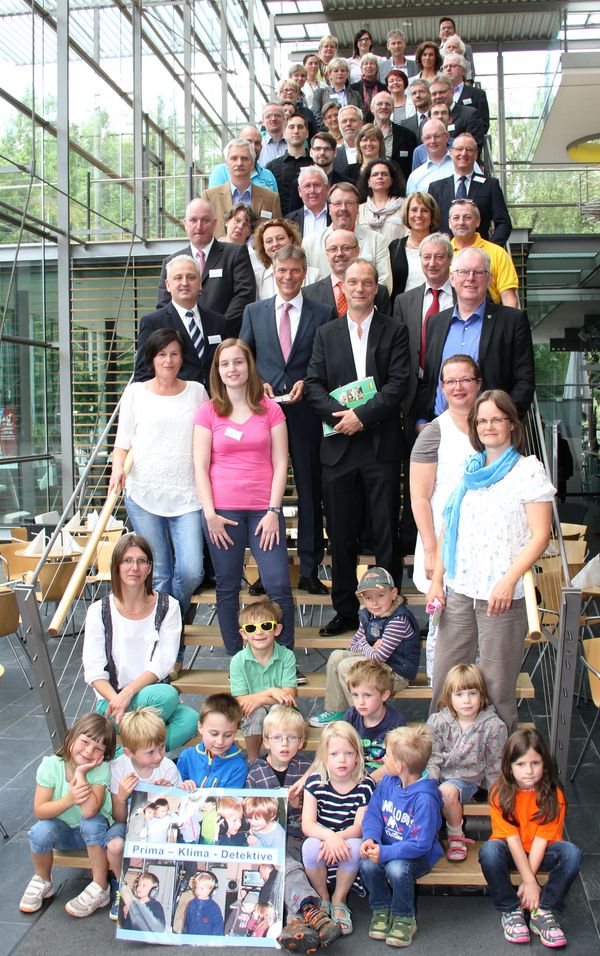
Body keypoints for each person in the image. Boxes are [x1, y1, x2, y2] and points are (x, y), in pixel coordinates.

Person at [427, 390, 555, 731]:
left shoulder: (528, 470)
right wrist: (437, 581)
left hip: (501, 596)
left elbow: (541, 535)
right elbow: (447, 531)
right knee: (445, 679)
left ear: (512, 424)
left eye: (496, 419)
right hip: (458, 592)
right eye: (482, 420)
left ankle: (497, 773)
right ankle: (442, 755)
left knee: (498, 687)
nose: (488, 426)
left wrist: (509, 579)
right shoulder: (468, 473)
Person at [304, 259, 410, 636]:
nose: (360, 288)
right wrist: (340, 418)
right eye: (353, 282)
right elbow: (313, 384)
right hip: (338, 448)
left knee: (385, 534)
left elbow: (399, 385)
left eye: (367, 282)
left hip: (379, 445)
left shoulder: (395, 330)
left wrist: (361, 417)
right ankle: (347, 610)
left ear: (376, 287)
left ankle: (390, 611)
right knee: (343, 535)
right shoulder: (325, 333)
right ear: (343, 287)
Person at [240, 245, 335, 591]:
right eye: (283, 271)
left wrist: (307, 383)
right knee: (268, 494)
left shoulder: (323, 312)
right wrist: (257, 383)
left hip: (307, 413)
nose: (289, 277)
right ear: (274, 273)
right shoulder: (254, 311)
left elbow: (327, 360)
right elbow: (243, 356)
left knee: (310, 491)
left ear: (305, 273)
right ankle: (268, 571)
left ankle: (310, 571)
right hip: (264, 414)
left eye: (295, 271)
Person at [112, 327, 208, 661]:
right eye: (161, 354)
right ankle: (167, 647)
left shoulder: (197, 391)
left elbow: (210, 435)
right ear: (151, 358)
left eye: (174, 353)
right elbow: (122, 443)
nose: (168, 360)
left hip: (188, 493)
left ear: (183, 358)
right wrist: (117, 469)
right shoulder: (136, 393)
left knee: (192, 570)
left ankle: (169, 626)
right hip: (144, 492)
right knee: (162, 572)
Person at [193, 338, 294, 655]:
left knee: (277, 584)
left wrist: (273, 510)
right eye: (225, 363)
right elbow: (200, 466)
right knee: (227, 586)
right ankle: (238, 659)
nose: (232, 368)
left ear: (249, 366)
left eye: (238, 361)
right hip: (223, 514)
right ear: (217, 371)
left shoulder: (271, 410)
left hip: (264, 513)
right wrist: (210, 514)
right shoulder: (207, 412)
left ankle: (284, 657)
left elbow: (281, 463)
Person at [82, 534, 198, 750]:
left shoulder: (168, 606)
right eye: (127, 560)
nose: (134, 567)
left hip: (150, 694)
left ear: (149, 567)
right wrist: (118, 699)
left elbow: (163, 662)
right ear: (117, 565)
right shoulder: (99, 610)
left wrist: (129, 693)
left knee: (190, 718)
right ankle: (146, 754)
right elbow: (93, 670)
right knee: (167, 697)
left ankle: (128, 755)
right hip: (111, 699)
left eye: (141, 561)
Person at [245, 706, 342, 953]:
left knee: (284, 864)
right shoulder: (256, 770)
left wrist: (301, 804)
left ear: (301, 742)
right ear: (266, 741)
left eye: (291, 738)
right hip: (267, 841)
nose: (284, 744)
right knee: (283, 863)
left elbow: (323, 771)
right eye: (277, 738)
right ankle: (311, 911)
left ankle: (297, 923)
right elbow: (249, 808)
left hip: (298, 836)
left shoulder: (306, 768)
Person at [410, 355, 481, 679]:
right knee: (447, 635)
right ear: (441, 387)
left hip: (484, 548)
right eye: (450, 381)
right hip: (443, 548)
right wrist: (430, 550)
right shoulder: (433, 433)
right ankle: (445, 706)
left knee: (482, 640)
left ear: (478, 383)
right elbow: (420, 498)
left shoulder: (493, 426)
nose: (458, 387)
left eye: (465, 379)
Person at [479, 728, 582, 948]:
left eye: (535, 763)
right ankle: (510, 909)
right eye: (521, 764)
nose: (529, 771)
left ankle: (544, 910)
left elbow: (541, 841)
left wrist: (530, 881)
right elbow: (513, 840)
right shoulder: (499, 791)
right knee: (489, 852)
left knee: (572, 854)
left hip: (541, 851)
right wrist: (529, 881)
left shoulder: (554, 794)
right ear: (509, 766)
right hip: (510, 849)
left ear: (544, 763)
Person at [416, 246, 535, 424]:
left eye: (479, 272)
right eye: (464, 271)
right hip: (442, 429)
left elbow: (524, 381)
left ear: (489, 279)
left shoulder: (512, 321)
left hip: (490, 431)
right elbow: (429, 380)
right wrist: (423, 420)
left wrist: (502, 421)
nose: (470, 278)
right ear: (452, 278)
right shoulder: (435, 322)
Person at [19, 713, 118, 918]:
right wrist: (69, 800)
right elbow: (40, 810)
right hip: (63, 834)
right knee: (39, 831)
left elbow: (90, 810)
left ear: (105, 755)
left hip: (94, 837)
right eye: (85, 742)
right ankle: (43, 880)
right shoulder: (51, 765)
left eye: (98, 748)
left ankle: (100, 885)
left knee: (92, 822)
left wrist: (81, 773)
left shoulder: (101, 770)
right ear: (71, 736)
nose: (89, 751)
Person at [359, 726, 443, 948]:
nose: (382, 758)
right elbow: (374, 814)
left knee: (397, 868)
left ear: (398, 765)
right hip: (386, 848)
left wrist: (385, 852)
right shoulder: (388, 783)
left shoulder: (425, 799)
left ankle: (404, 916)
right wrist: (370, 838)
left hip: (417, 856)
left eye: (386, 754)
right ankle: (381, 908)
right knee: (366, 863)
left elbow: (420, 844)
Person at [310, 566, 418, 727]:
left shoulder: (398, 620)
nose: (374, 602)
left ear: (393, 593)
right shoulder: (368, 615)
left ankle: (359, 717)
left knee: (347, 666)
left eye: (380, 595)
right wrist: (371, 646)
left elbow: (378, 656)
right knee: (336, 656)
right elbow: (353, 646)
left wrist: (365, 645)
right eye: (368, 598)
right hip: (380, 665)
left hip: (396, 674)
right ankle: (337, 710)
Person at [427, 664, 507, 861]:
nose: (467, 700)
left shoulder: (493, 726)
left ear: (482, 696)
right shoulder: (438, 721)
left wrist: (496, 795)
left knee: (446, 792)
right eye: (460, 694)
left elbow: (495, 764)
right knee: (420, 790)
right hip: (438, 774)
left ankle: (456, 836)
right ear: (449, 697)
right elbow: (433, 756)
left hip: (468, 779)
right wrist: (430, 782)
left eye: (473, 693)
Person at [302, 722, 376, 935]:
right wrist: (328, 837)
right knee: (309, 847)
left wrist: (336, 839)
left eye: (348, 753)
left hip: (346, 841)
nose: (342, 759)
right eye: (334, 754)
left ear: (358, 755)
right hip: (323, 839)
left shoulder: (365, 784)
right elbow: (308, 824)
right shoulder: (315, 781)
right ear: (324, 756)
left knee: (355, 846)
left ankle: (339, 900)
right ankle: (323, 896)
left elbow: (359, 827)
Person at [108, 707, 182, 919]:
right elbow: (119, 818)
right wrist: (121, 796)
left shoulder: (167, 767)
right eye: (150, 752)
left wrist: (169, 794)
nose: (159, 755)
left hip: (158, 826)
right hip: (131, 824)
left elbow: (177, 814)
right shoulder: (118, 768)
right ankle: (120, 885)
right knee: (114, 845)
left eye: (161, 747)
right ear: (129, 752)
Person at [155, 197, 255, 338]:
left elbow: (244, 296)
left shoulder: (235, 253)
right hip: (183, 342)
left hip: (225, 340)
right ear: (185, 224)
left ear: (214, 224)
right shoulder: (171, 261)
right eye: (193, 220)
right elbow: (164, 305)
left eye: (205, 220)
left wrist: (218, 327)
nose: (199, 226)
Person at [393, 233, 455, 436]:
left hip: (453, 389)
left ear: (449, 259)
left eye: (439, 257)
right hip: (414, 392)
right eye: (427, 257)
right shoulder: (404, 301)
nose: (432, 263)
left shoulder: (462, 296)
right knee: (416, 458)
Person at [138, 254, 227, 388]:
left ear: (200, 284)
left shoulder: (218, 321)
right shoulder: (152, 323)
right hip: (176, 401)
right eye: (178, 277)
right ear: (168, 285)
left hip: (216, 402)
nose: (184, 283)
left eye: (191, 277)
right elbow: (143, 374)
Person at [230, 598, 297, 761]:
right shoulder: (238, 660)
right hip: (252, 709)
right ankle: (253, 760)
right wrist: (271, 691)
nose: (259, 633)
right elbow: (239, 700)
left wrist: (259, 699)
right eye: (251, 628)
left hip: (280, 707)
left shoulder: (287, 656)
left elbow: (289, 695)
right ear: (244, 634)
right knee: (255, 713)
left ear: (277, 629)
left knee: (276, 712)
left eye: (266, 626)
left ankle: (276, 759)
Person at [302, 183, 392, 291]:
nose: (343, 208)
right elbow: (306, 284)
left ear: (358, 208)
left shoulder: (377, 240)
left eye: (349, 203)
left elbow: (384, 284)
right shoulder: (309, 243)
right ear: (329, 208)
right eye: (337, 203)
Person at [428, 132, 512, 245]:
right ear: (451, 153)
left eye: (469, 149)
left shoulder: (490, 185)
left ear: (476, 154)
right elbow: (430, 224)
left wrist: (490, 249)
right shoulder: (436, 188)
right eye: (459, 149)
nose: (464, 153)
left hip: (479, 255)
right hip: (446, 255)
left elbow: (504, 223)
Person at [202, 138, 282, 239]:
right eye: (234, 158)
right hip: (222, 254)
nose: (239, 163)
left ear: (253, 163)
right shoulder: (210, 197)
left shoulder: (271, 198)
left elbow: (278, 233)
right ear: (226, 163)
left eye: (244, 158)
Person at [303, 229, 392, 316]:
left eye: (346, 248)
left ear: (357, 251)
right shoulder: (309, 294)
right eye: (333, 249)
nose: (339, 254)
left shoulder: (380, 292)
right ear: (327, 254)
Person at [448, 198, 519, 306]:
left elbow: (509, 299)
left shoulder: (498, 253)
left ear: (478, 221)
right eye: (456, 218)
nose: (461, 222)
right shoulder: (442, 255)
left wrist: (511, 323)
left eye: (467, 217)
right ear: (450, 223)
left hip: (490, 319)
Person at [177, 693, 247, 789]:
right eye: (214, 734)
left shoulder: (239, 766)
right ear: (200, 727)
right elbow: (175, 791)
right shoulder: (187, 757)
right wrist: (182, 786)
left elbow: (231, 801)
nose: (220, 741)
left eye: (228, 735)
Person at [389, 192, 441, 301]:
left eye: (425, 211)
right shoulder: (394, 247)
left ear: (432, 215)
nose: (418, 215)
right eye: (414, 210)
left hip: (436, 309)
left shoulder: (442, 247)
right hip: (401, 312)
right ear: (407, 214)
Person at [252, 218, 319, 298]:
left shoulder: (314, 276)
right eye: (269, 241)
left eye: (280, 238)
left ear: (291, 240)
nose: (275, 244)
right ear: (263, 246)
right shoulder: (258, 280)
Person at [208, 124, 279, 193]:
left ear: (261, 147)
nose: (253, 147)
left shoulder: (268, 175)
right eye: (248, 142)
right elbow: (215, 201)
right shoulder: (221, 171)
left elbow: (274, 203)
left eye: (257, 143)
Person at [266, 114, 314, 216]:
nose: (296, 131)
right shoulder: (272, 167)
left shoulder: (315, 165)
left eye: (300, 127)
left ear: (307, 133)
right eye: (291, 127)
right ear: (284, 133)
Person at [356, 158, 407, 243]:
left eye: (384, 174)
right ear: (368, 181)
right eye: (375, 174)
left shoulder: (404, 206)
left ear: (391, 180)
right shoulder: (359, 210)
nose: (380, 177)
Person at [443, 53, 489, 132]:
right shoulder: (437, 95)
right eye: (445, 67)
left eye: (452, 66)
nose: (448, 69)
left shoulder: (478, 95)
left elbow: (483, 125)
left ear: (463, 70)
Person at [405, 118, 453, 194]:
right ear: (422, 140)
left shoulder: (463, 164)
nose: (432, 141)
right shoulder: (415, 176)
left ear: (447, 136)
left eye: (437, 136)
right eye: (427, 137)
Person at [312, 59, 363, 126]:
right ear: (329, 74)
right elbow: (316, 116)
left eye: (343, 70)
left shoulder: (355, 94)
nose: (340, 73)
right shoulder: (320, 93)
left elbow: (361, 116)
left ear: (347, 74)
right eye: (336, 71)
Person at [286, 164, 331, 236]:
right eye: (307, 186)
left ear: (326, 189)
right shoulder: (289, 221)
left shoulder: (336, 215)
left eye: (317, 185)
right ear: (300, 191)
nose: (312, 190)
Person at [182, 871, 224, 936]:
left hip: (207, 943)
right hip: (191, 942)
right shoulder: (191, 904)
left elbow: (218, 928)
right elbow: (186, 925)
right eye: (196, 887)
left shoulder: (214, 908)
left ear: (210, 889)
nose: (198, 891)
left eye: (202, 888)